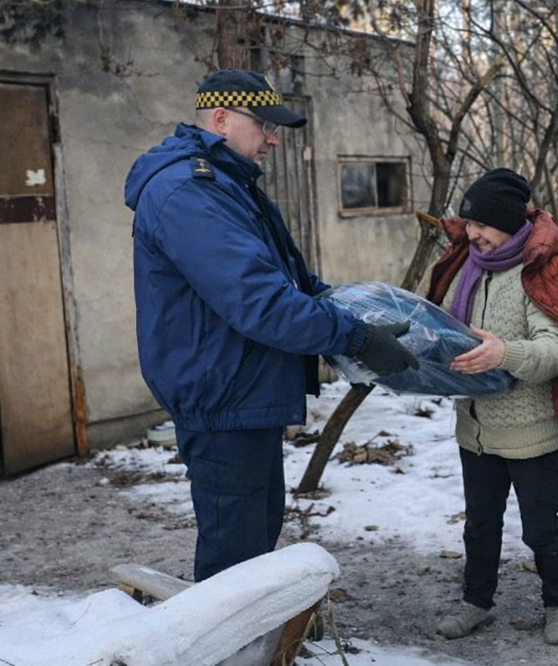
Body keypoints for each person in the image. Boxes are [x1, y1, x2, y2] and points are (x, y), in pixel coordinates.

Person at [123, 68, 419, 582]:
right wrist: (352, 335)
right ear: (221, 119)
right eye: (263, 125)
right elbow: (259, 302)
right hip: (221, 397)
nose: (273, 138)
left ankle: (258, 646)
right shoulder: (189, 193)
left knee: (255, 541)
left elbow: (281, 277)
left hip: (241, 392)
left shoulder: (224, 184)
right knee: (232, 562)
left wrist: (335, 303)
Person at [423, 168, 558, 646]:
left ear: (508, 223)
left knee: (540, 529)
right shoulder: (464, 265)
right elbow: (441, 327)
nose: (472, 234)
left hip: (534, 434)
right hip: (477, 430)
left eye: (482, 225)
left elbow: (556, 352)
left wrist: (503, 353)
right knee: (480, 526)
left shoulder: (538, 272)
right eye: (467, 225)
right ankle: (477, 602)